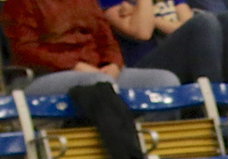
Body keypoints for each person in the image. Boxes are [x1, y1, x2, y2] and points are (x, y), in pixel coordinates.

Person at [1, 0, 178, 95]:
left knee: (165, 81)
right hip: (46, 75)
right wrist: (74, 66)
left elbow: (107, 41)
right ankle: (125, 154)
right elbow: (26, 51)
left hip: (97, 71)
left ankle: (156, 147)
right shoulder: (18, 4)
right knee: (99, 84)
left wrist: (113, 64)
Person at [99, 0, 228, 85]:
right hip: (144, 65)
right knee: (205, 22)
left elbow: (190, 26)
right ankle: (213, 100)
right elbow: (142, 32)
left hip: (180, 55)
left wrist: (152, 19)